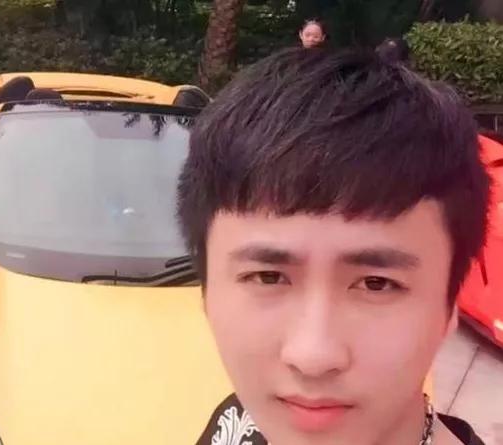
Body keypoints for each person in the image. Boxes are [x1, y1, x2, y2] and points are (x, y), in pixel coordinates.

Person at [177, 48, 488, 445]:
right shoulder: (236, 424)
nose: (312, 357)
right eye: (268, 277)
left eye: (377, 283)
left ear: (450, 304)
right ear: (206, 293)